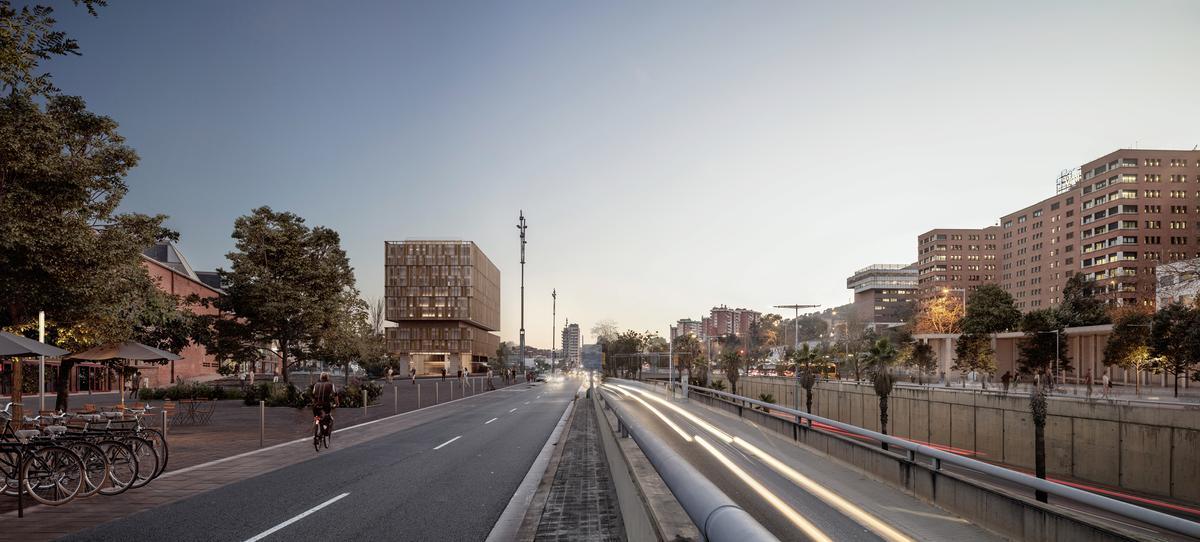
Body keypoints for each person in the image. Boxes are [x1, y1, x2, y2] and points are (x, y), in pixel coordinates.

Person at [311, 372, 336, 450]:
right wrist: (337, 403)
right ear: (328, 377)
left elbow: (313, 393)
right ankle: (326, 432)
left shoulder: (316, 384)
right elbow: (335, 394)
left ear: (321, 377)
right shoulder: (331, 384)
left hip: (316, 405)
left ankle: (316, 431)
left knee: (317, 417)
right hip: (326, 405)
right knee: (328, 417)